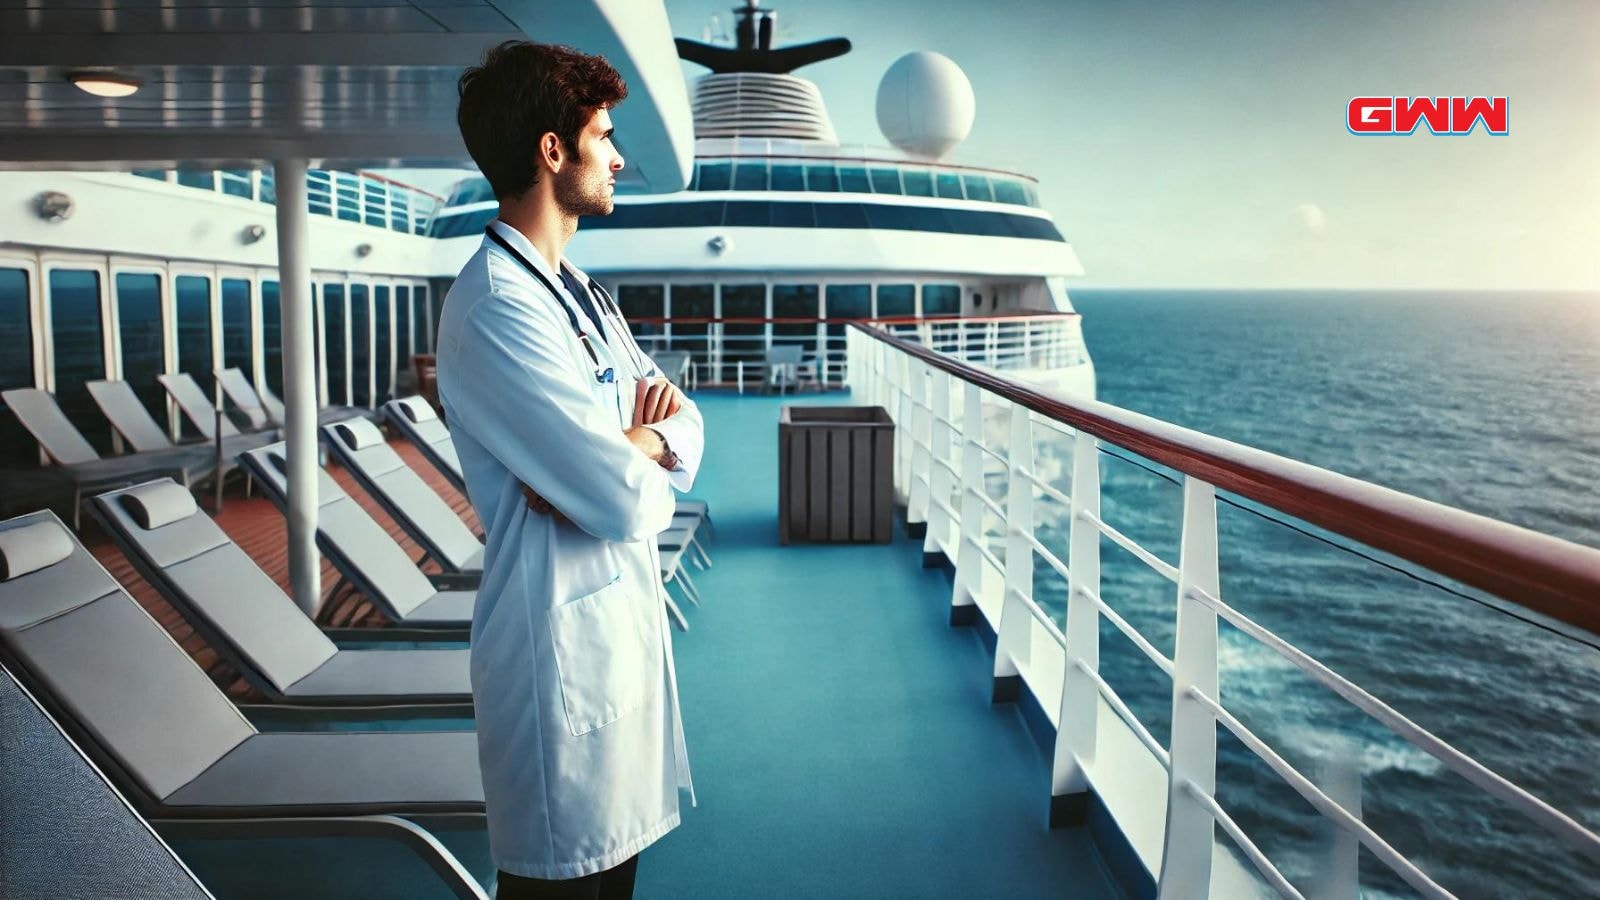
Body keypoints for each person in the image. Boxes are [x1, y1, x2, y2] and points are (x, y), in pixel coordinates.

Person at [435, 41, 703, 900]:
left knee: (614, 884)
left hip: (617, 644)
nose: (620, 157)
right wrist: (626, 455)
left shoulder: (581, 292)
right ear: (554, 150)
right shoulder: (494, 310)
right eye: (606, 135)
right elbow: (622, 501)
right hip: (556, 666)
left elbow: (685, 427)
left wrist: (640, 443)